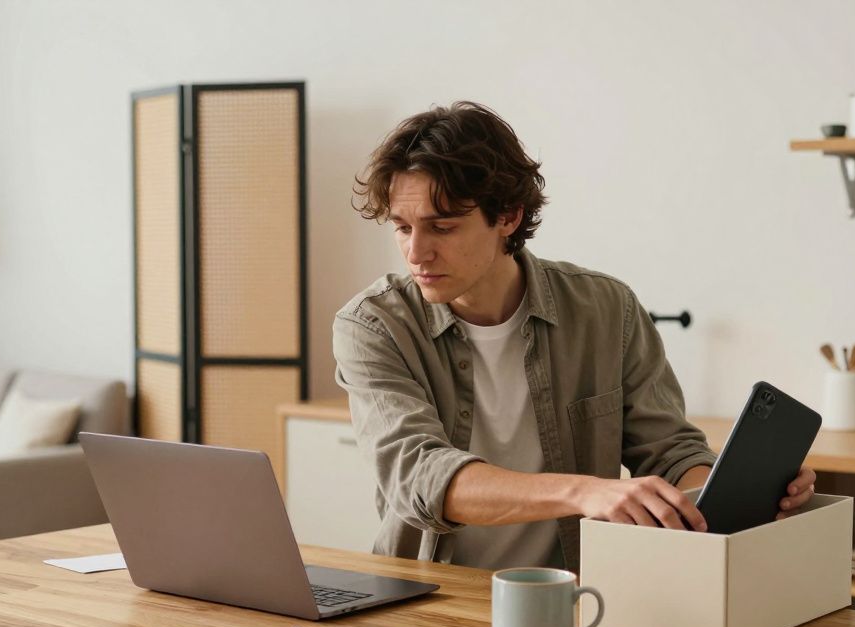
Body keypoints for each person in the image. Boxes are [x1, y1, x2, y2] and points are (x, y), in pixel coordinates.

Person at [333, 101, 816, 571]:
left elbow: (670, 452)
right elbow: (420, 476)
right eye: (401, 227)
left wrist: (736, 492)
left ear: (508, 217)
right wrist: (584, 491)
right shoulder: (373, 326)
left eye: (442, 227)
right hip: (433, 599)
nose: (416, 253)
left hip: (571, 596)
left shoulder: (608, 310)